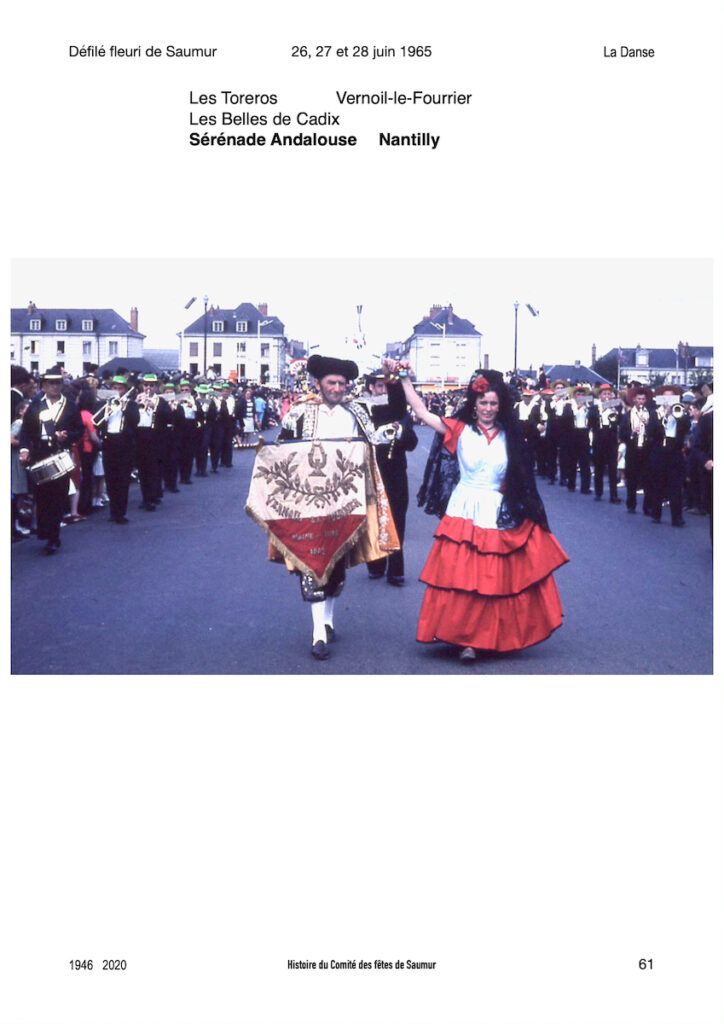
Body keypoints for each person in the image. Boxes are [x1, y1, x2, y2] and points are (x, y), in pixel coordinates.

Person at [390, 361, 569, 661]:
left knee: (491, 578)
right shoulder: (459, 429)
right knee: (462, 577)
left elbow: (521, 474)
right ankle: (464, 638)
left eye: (493, 403)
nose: (488, 408)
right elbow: (421, 412)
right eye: (483, 402)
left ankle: (488, 636)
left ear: (501, 406)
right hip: (464, 507)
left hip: (496, 509)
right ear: (474, 404)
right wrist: (406, 379)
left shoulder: (510, 436)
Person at [266, 354, 399, 660]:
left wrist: (391, 384)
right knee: (313, 561)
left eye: (342, 383)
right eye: (332, 382)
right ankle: (317, 634)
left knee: (337, 561)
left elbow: (386, 421)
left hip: (346, 498)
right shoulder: (298, 413)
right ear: (318, 383)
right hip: (308, 499)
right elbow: (283, 452)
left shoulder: (358, 411)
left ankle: (327, 621)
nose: (338, 388)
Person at [358, 369, 415, 586]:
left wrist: (400, 433)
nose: (383, 390)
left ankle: (396, 571)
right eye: (380, 386)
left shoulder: (399, 412)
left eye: (387, 386)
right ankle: (376, 564)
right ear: (371, 387)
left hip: (395, 474)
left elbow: (412, 442)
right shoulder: (362, 411)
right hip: (369, 473)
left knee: (397, 520)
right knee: (372, 519)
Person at [18, 366, 83, 554]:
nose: (54, 387)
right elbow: (26, 431)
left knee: (57, 497)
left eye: (58, 383)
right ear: (43, 386)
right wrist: (24, 450)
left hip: (60, 453)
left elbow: (79, 430)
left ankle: (53, 537)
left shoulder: (70, 405)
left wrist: (67, 436)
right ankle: (46, 530)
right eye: (50, 383)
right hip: (39, 453)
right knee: (42, 496)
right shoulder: (36, 405)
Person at [100, 374, 139, 524]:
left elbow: (136, 421)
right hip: (109, 442)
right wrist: (107, 409)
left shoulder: (132, 405)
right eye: (114, 388)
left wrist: (123, 409)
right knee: (110, 479)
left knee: (123, 479)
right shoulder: (105, 404)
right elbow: (97, 423)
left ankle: (120, 513)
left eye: (120, 388)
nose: (117, 391)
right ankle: (113, 511)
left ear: (125, 390)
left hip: (125, 444)